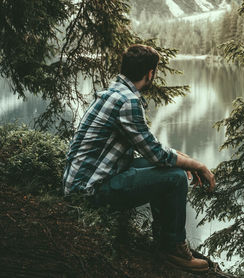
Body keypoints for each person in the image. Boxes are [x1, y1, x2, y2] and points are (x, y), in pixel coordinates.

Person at [63, 44, 215, 273]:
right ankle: (172, 247)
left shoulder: (114, 93)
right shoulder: (129, 101)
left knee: (171, 168)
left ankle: (165, 239)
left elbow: (148, 148)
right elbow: (155, 154)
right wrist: (197, 164)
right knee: (174, 177)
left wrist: (181, 157)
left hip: (83, 182)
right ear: (150, 73)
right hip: (90, 191)